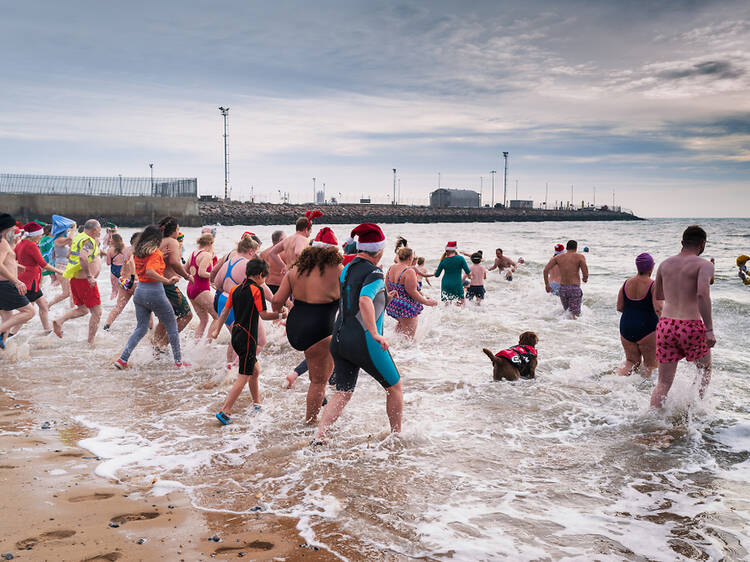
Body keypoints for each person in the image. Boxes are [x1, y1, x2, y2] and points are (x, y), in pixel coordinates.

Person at [315, 223, 403, 443]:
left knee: (343, 391)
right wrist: (375, 333)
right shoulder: (374, 272)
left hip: (339, 338)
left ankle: (320, 436)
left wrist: (385, 298)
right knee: (394, 387)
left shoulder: (348, 267)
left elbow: (353, 298)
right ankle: (396, 437)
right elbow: (364, 300)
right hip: (363, 340)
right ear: (380, 250)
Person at [272, 227, 342, 423]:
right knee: (318, 382)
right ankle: (310, 422)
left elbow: (277, 301)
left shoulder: (295, 269)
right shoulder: (338, 270)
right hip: (321, 329)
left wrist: (287, 310)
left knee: (315, 371)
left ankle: (315, 412)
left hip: (295, 328)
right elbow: (351, 301)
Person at [213, 258, 287, 425]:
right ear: (261, 275)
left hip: (237, 334)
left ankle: (256, 404)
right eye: (265, 278)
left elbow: (225, 311)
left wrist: (217, 328)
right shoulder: (257, 290)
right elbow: (264, 315)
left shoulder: (235, 289)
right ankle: (225, 411)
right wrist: (282, 315)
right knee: (244, 376)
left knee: (254, 371)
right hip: (248, 338)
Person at [650, 226, 716, 408]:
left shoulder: (664, 264)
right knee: (704, 370)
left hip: (666, 325)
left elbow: (660, 295)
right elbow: (702, 294)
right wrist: (709, 330)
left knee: (663, 383)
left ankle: (652, 419)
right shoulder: (705, 265)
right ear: (702, 244)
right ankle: (696, 411)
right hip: (691, 326)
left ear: (682, 243)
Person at [114, 225, 185, 369]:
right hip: (155, 292)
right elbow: (150, 271)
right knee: (172, 326)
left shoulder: (138, 252)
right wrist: (167, 280)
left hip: (140, 293)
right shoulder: (155, 253)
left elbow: (145, 267)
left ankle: (122, 359)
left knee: (140, 328)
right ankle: (178, 362)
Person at [209, 235, 260, 368]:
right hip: (235, 304)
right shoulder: (246, 263)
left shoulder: (227, 258)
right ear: (251, 250)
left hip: (221, 300)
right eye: (256, 252)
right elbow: (260, 286)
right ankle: (237, 367)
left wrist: (223, 288)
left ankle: (229, 365)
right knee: (250, 341)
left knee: (235, 337)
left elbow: (215, 277)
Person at [52, 219, 103, 343]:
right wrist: (90, 275)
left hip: (76, 280)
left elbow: (69, 254)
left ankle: (59, 321)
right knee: (97, 313)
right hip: (85, 281)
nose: (101, 231)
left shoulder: (78, 237)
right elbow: (82, 257)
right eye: (100, 229)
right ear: (95, 229)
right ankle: (90, 342)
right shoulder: (88, 241)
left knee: (83, 310)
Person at [616, 253, 662, 377]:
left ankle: (616, 382)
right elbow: (658, 308)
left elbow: (619, 307)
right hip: (647, 328)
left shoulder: (626, 283)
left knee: (631, 362)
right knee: (650, 365)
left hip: (626, 327)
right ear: (651, 268)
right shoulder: (653, 285)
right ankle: (642, 393)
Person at [14, 222, 64, 333]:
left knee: (43, 305)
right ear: (35, 235)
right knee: (27, 312)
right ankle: (10, 333)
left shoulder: (21, 243)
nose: (41, 236)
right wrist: (59, 271)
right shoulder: (31, 245)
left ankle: (47, 331)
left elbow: (14, 258)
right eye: (40, 234)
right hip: (30, 282)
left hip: (27, 281)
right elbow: (43, 264)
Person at [153, 216, 193, 351]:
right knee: (187, 315)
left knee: (163, 319)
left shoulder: (158, 241)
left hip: (155, 284)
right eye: (178, 229)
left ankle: (155, 349)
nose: (178, 232)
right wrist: (187, 276)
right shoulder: (172, 242)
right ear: (174, 230)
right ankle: (162, 345)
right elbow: (175, 262)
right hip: (167, 285)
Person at [0, 214, 35, 347]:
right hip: (5, 285)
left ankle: (1, 349)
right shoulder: (2, 242)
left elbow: (4, 261)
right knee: (29, 312)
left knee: (8, 317)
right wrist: (16, 281)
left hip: (3, 285)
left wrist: (14, 265)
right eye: (13, 227)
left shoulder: (3, 242)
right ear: (6, 228)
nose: (15, 229)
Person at [385, 246, 436, 336]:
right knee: (409, 341)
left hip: (392, 305)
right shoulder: (409, 271)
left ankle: (393, 348)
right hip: (406, 308)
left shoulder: (391, 268)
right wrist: (427, 302)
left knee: (399, 335)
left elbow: (388, 286)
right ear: (410, 258)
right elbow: (412, 292)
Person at [543, 240, 588, 318]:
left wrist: (547, 284)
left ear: (566, 248)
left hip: (563, 289)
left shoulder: (558, 257)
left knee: (567, 313)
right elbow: (585, 271)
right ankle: (574, 329)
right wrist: (585, 278)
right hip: (574, 288)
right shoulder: (580, 257)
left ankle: (563, 328)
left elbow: (545, 270)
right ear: (576, 248)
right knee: (575, 315)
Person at [267, 211, 321, 275]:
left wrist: (284, 266)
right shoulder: (302, 239)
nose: (309, 234)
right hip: (298, 274)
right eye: (310, 232)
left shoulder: (287, 239)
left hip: (288, 273)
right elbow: (298, 252)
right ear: (306, 229)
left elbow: (272, 252)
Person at [186, 233, 218, 341]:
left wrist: (192, 275)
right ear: (210, 243)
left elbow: (185, 270)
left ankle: (196, 345)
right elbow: (202, 273)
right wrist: (214, 276)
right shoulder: (206, 255)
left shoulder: (193, 254)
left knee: (204, 320)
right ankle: (207, 344)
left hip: (191, 289)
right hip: (201, 289)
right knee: (217, 316)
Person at [47, 223, 76, 308]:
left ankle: (72, 309)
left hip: (67, 266)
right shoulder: (58, 240)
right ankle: (48, 305)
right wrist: (74, 228)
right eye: (66, 229)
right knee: (67, 292)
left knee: (70, 292)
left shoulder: (62, 239)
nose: (67, 231)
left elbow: (71, 241)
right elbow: (70, 238)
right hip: (61, 267)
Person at [106, 233, 126, 301]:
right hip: (124, 271)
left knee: (114, 291)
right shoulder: (125, 248)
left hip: (114, 271)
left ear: (114, 240)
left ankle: (111, 305)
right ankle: (124, 307)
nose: (110, 240)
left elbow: (108, 263)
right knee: (124, 291)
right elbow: (128, 261)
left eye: (111, 238)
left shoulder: (110, 250)